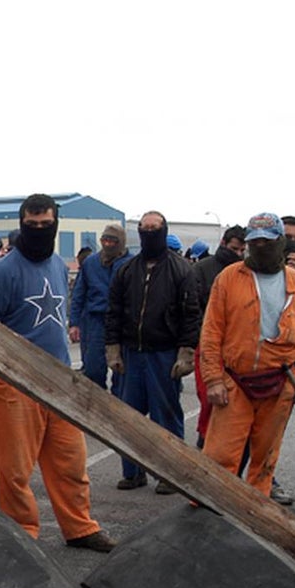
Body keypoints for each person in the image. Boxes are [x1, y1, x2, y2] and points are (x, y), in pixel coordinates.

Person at [0, 193, 115, 552]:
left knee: (70, 460)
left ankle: (79, 526)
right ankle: (21, 533)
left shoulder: (56, 264)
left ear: (55, 223)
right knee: (16, 469)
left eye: (45, 224)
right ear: (21, 224)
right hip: (15, 385)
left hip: (59, 379)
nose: (39, 230)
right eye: (31, 225)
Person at [199, 213, 295, 497]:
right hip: (235, 382)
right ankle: (208, 512)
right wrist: (214, 380)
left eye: (267, 242)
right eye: (253, 242)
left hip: (281, 384)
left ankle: (257, 516)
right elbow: (211, 333)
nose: (260, 247)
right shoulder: (228, 278)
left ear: (280, 243)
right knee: (219, 457)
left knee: (265, 459)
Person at [106, 210, 201, 494]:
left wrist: (186, 353)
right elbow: (113, 313)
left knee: (167, 417)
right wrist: (113, 350)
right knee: (128, 418)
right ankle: (132, 473)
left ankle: (171, 475)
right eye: (144, 228)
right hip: (131, 353)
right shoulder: (125, 270)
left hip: (164, 354)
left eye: (154, 228)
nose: (149, 232)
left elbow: (191, 314)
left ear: (163, 230)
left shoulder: (182, 270)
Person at [193, 225, 248, 445]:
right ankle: (205, 440)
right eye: (235, 249)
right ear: (224, 243)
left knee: (237, 403)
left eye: (242, 250)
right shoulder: (203, 269)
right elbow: (192, 308)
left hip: (236, 348)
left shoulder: (247, 272)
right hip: (208, 346)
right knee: (210, 398)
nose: (238, 254)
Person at [69, 223, 132, 397]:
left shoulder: (131, 264)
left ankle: (119, 406)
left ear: (121, 242)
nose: (108, 245)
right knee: (93, 369)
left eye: (113, 241)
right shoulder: (91, 263)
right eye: (104, 240)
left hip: (122, 322)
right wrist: (74, 323)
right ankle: (96, 403)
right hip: (95, 321)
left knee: (121, 370)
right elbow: (79, 294)